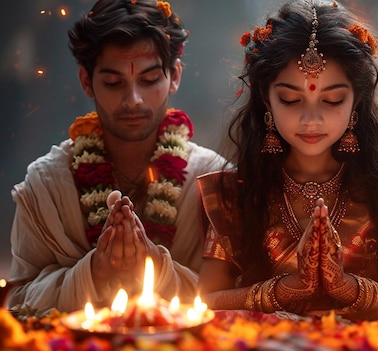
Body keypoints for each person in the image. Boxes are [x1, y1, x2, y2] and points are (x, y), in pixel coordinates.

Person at [197, 0, 378, 321]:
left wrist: (350, 289)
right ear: (266, 98)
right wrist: (283, 291)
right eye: (291, 100)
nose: (311, 119)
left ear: (356, 102)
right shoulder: (235, 193)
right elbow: (206, 301)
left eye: (332, 100)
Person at [8, 0, 226, 314]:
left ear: (174, 76)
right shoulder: (46, 186)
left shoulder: (214, 182)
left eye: (150, 80)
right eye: (113, 83)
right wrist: (94, 270)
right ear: (87, 82)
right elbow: (17, 302)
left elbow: (234, 300)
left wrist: (155, 266)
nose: (133, 100)